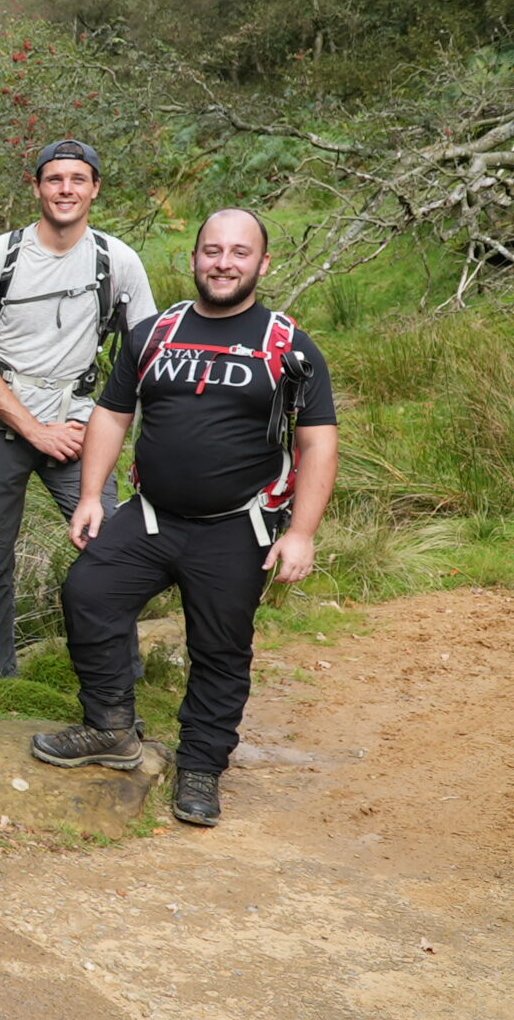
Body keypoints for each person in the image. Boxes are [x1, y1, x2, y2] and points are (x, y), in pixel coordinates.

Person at [31, 208, 338, 827]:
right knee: (88, 592)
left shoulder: (288, 345)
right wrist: (92, 495)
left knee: (220, 649)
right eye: (213, 251)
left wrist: (301, 533)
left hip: (237, 525)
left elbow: (318, 441)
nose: (224, 263)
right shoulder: (154, 332)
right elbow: (113, 416)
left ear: (262, 263)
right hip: (149, 517)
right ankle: (112, 728)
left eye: (239, 252)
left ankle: (200, 766)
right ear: (194, 258)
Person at [0, 139, 155, 679]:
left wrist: (102, 420)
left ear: (95, 188)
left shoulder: (118, 262)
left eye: (77, 179)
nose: (65, 189)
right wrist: (34, 430)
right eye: (54, 179)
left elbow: (144, 351)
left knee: (111, 552)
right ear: (37, 187)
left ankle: (117, 677)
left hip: (79, 427)